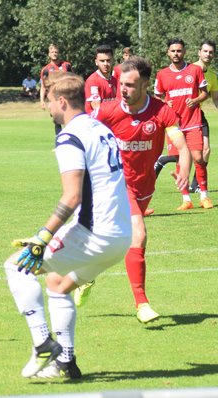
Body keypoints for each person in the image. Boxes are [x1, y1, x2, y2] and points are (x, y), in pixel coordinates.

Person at [4, 72, 131, 379]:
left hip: (95, 233)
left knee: (16, 266)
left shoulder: (70, 136)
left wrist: (42, 238)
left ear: (61, 101)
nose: (47, 108)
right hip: (121, 236)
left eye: (48, 101)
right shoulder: (100, 128)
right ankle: (66, 363)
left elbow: (72, 196)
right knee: (58, 284)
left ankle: (42, 343)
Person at [80, 57, 191, 324]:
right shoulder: (107, 111)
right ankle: (141, 304)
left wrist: (185, 167)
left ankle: (85, 274)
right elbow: (82, 132)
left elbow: (182, 145)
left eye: (130, 85)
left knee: (117, 240)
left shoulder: (161, 111)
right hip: (116, 183)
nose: (123, 90)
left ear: (144, 85)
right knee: (138, 235)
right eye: (121, 84)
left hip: (145, 185)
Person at [153, 38, 210, 210]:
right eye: (173, 51)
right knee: (180, 160)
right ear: (168, 53)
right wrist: (165, 104)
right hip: (173, 124)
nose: (176, 54)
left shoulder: (195, 70)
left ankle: (204, 196)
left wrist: (196, 100)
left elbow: (205, 93)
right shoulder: (162, 74)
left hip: (193, 122)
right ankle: (186, 199)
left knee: (198, 158)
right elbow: (158, 96)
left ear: (184, 52)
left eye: (179, 50)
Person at [189, 40, 218, 193]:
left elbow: (216, 98)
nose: (208, 54)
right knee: (182, 153)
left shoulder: (212, 76)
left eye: (211, 52)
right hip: (184, 116)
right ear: (199, 53)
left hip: (198, 115)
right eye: (205, 51)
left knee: (205, 150)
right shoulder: (189, 69)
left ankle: (195, 184)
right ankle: (162, 160)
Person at [40, 44, 73, 134]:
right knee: (57, 120)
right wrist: (42, 101)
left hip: (66, 96)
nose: (54, 54)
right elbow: (43, 86)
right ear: (49, 54)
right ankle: (59, 141)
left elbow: (73, 80)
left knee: (68, 118)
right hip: (54, 98)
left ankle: (70, 140)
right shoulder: (45, 69)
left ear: (59, 54)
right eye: (52, 52)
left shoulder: (67, 66)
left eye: (56, 52)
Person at [84, 44, 117, 114]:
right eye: (102, 61)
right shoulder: (92, 81)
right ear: (96, 62)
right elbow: (97, 108)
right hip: (96, 123)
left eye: (108, 60)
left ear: (113, 60)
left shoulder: (116, 81)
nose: (105, 64)